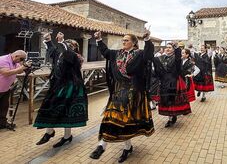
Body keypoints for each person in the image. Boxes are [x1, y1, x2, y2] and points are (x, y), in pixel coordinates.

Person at [89, 30, 154, 163]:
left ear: (134, 43)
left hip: (134, 92)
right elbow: (105, 52)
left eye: (126, 40)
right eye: (123, 40)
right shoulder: (117, 53)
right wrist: (99, 40)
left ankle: (125, 147)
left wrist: (147, 40)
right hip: (119, 91)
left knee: (124, 121)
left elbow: (148, 55)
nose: (123, 42)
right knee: (112, 117)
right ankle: (102, 146)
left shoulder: (139, 54)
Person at [34, 32, 88, 148]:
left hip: (71, 87)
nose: (67, 46)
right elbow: (54, 51)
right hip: (59, 86)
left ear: (74, 48)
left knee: (66, 111)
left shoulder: (76, 57)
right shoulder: (61, 54)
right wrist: (48, 40)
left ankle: (67, 136)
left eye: (70, 45)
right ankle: (49, 132)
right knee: (51, 107)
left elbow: (66, 52)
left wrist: (62, 42)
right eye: (67, 44)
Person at [153, 42, 191, 127]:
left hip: (173, 81)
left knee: (172, 100)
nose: (167, 49)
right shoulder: (161, 58)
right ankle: (170, 117)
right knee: (166, 100)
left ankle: (172, 117)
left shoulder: (177, 58)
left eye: (170, 47)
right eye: (167, 47)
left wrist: (177, 47)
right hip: (164, 82)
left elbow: (178, 57)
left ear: (173, 50)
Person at [0, 50, 28, 129]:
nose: (21, 61)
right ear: (16, 56)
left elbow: (19, 71)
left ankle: (2, 124)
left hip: (5, 89)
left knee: (4, 107)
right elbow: (6, 73)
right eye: (22, 59)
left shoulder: (15, 62)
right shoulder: (3, 60)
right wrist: (21, 68)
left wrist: (26, 66)